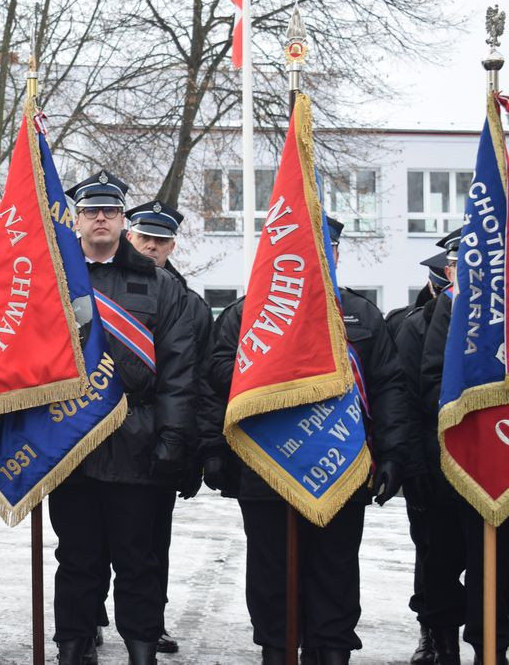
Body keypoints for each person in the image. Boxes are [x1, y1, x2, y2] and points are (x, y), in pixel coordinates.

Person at [204, 216, 411, 665]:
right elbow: (216, 377)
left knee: (334, 571)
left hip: (340, 465)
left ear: (338, 254)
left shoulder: (361, 313)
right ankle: (277, 650)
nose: (319, 257)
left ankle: (332, 650)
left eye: (328, 248)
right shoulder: (247, 313)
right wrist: (216, 451)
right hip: (265, 469)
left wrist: (393, 453)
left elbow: (389, 385)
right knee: (270, 572)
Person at [50, 170, 196, 665]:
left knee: (139, 562)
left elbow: (179, 369)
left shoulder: (160, 286)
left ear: (121, 221)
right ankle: (73, 647)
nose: (101, 219)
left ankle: (141, 650)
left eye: (110, 211)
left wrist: (173, 436)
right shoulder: (55, 281)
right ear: (77, 219)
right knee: (77, 561)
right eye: (91, 211)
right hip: (71, 442)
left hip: (139, 441)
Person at [124, 200, 212, 655]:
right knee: (91, 542)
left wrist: (190, 452)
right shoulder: (96, 287)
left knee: (153, 541)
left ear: (172, 245)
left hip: (162, 439)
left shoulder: (190, 305)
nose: (152, 247)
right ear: (129, 237)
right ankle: (93, 618)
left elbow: (196, 382)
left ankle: (150, 620)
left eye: (161, 241)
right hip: (102, 436)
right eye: (145, 238)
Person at [420, 230, 499, 665]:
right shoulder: (442, 313)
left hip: (499, 461)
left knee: (496, 565)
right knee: (444, 560)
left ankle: (493, 647)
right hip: (452, 462)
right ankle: (444, 643)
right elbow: (429, 383)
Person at [390, 245, 461, 665]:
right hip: (433, 466)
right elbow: (407, 400)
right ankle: (435, 637)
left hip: (482, 462)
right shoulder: (412, 325)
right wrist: (412, 466)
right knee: (435, 557)